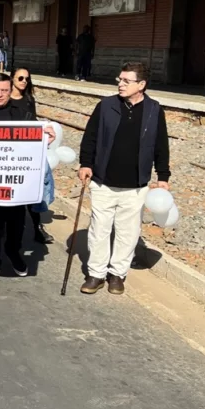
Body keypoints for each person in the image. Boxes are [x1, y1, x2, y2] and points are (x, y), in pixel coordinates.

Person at [78, 62, 170, 295]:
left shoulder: (154, 110)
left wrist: (163, 176)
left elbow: (161, 145)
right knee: (99, 230)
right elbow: (90, 137)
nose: (120, 84)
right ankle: (96, 274)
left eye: (126, 81)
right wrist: (86, 164)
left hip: (135, 185)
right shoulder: (106, 106)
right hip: (103, 180)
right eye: (119, 80)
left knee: (128, 233)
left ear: (141, 85)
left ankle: (117, 274)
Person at [0, 73, 55, 279]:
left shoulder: (23, 113)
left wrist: (46, 137)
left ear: (10, 90)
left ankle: (14, 254)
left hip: (15, 181)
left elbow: (36, 136)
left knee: (16, 222)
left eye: (4, 90)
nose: (0, 94)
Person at [11, 68, 54, 244]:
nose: (23, 81)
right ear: (12, 79)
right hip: (9, 153)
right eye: (20, 78)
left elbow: (33, 122)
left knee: (34, 190)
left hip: (27, 151)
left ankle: (37, 228)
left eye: (27, 79)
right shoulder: (4, 101)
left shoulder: (29, 100)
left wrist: (44, 131)